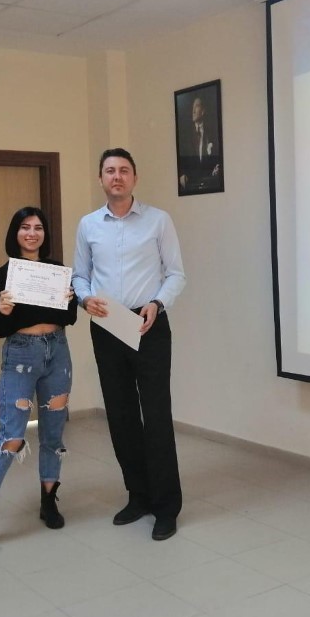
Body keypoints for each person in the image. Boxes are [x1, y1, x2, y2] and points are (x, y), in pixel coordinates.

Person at [73, 147, 186, 541]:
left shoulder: (158, 220)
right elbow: (79, 275)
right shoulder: (88, 225)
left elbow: (176, 274)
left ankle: (166, 508)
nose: (116, 176)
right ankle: (138, 496)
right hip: (108, 325)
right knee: (121, 417)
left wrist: (157, 303)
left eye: (123, 170)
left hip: (147, 323)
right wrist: (85, 298)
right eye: (110, 171)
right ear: (101, 179)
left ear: (134, 178)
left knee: (156, 417)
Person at [0, 207, 78, 553]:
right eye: (25, 227)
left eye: (38, 227)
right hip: (21, 355)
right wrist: (2, 311)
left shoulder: (56, 271)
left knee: (53, 434)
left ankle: (49, 500)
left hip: (57, 352)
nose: (32, 233)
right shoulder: (4, 275)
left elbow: (69, 317)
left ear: (45, 234)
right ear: (15, 233)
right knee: (11, 437)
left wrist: (69, 300)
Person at [178, 95, 222, 191]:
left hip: (209, 184)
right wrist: (181, 175)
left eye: (196, 106)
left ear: (203, 111)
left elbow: (217, 159)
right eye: (192, 107)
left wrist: (217, 168)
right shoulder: (185, 135)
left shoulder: (212, 132)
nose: (193, 111)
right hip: (191, 185)